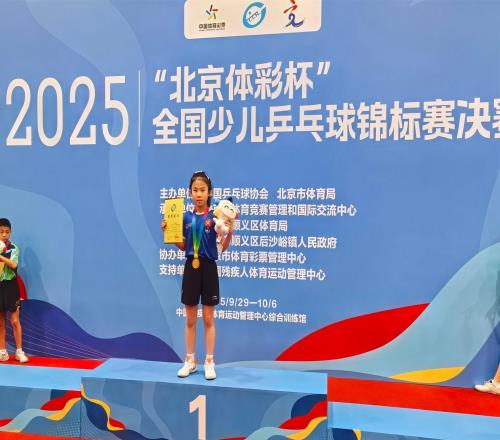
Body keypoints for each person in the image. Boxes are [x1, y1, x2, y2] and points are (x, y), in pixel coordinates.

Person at [162, 171, 232, 380]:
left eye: (202, 190)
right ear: (190, 192)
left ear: (209, 192)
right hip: (191, 269)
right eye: (195, 190)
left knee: (208, 319)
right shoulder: (185, 218)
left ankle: (209, 361)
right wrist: (169, 232)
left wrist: (229, 231)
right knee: (190, 319)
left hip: (209, 268)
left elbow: (223, 247)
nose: (199, 194)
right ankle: (190, 361)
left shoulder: (216, 216)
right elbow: (183, 246)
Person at [0, 218, 28, 363]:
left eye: (7, 231)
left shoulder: (13, 248)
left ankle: (19, 351)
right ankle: (2, 352)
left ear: (10, 232)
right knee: (1, 322)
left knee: (15, 321)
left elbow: (13, 264)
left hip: (11, 286)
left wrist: (0, 256)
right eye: (1, 232)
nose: (4, 234)